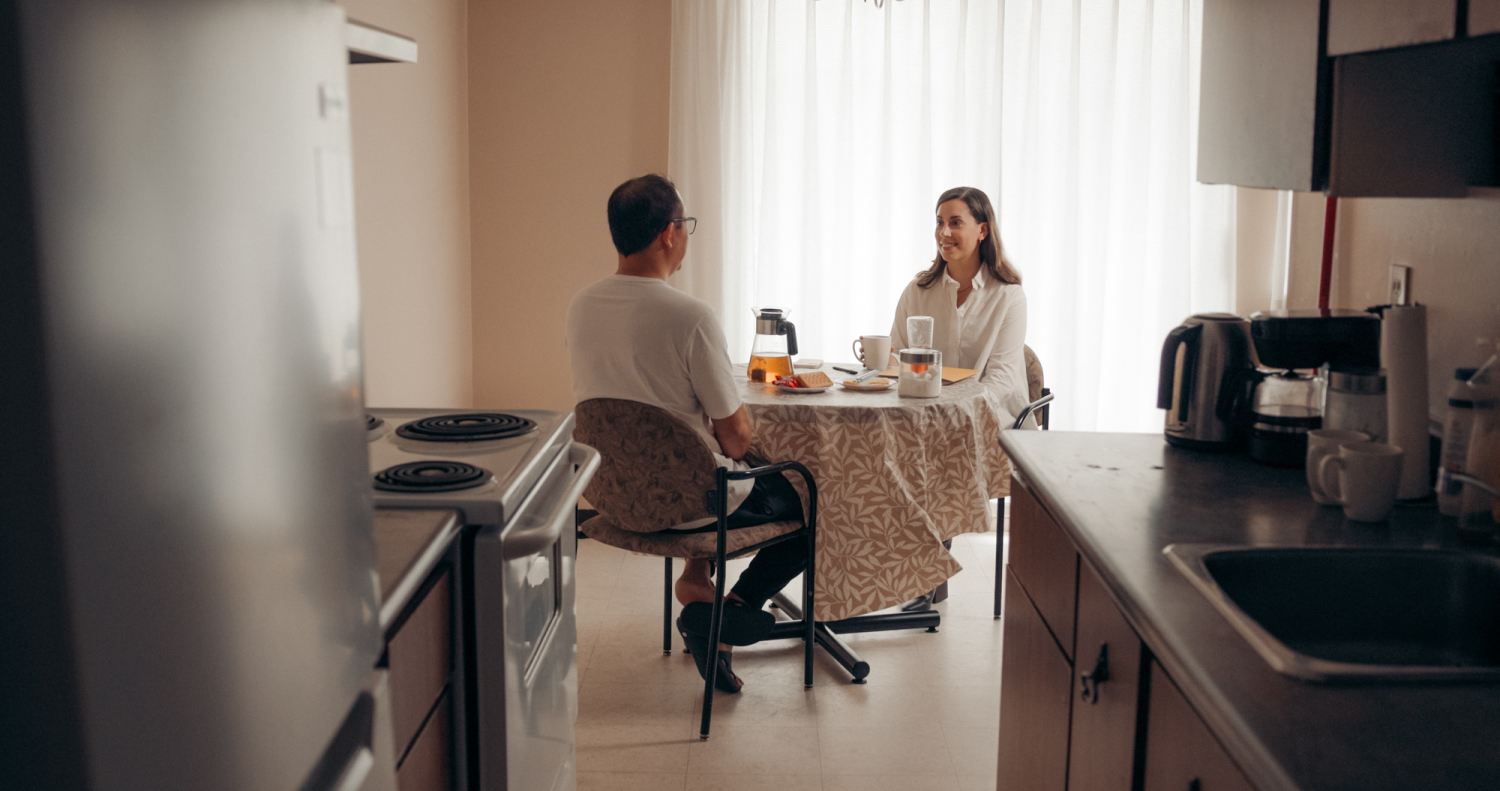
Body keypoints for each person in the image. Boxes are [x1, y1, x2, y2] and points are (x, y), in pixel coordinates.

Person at [565, 174, 807, 694]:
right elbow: (738, 439)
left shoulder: (581, 306)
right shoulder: (690, 316)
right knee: (811, 497)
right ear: (669, 233)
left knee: (703, 458)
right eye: (686, 224)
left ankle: (697, 582)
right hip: (691, 502)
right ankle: (728, 611)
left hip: (615, 494)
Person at [889, 186, 1032, 428]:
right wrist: (883, 358)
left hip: (993, 422)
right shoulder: (917, 291)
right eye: (939, 222)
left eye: (955, 223)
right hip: (927, 419)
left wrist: (955, 414)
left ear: (982, 230)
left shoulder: (1009, 295)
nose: (944, 232)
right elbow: (900, 357)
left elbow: (1001, 380)